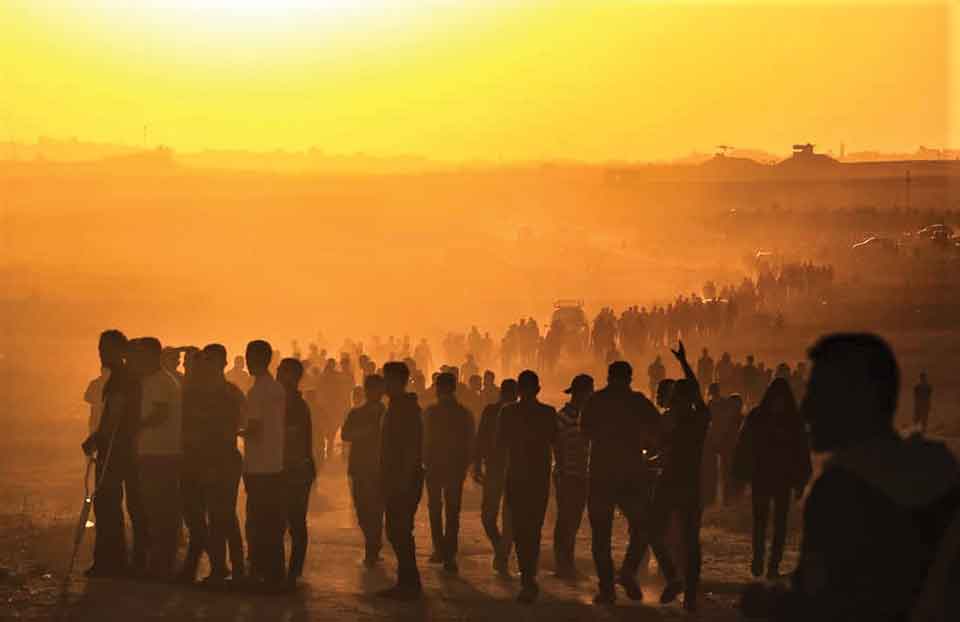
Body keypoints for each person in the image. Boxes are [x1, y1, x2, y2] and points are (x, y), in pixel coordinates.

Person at [741, 333, 960, 621]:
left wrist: (767, 603)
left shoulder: (839, 490)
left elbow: (825, 604)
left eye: (818, 393)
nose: (806, 409)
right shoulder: (939, 469)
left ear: (855, 399)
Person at [581, 360, 662, 604]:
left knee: (601, 536)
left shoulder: (595, 401)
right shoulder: (638, 401)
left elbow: (585, 432)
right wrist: (645, 446)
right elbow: (657, 428)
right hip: (631, 474)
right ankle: (628, 571)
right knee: (643, 527)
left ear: (608, 377)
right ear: (630, 378)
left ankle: (607, 588)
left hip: (601, 474)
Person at [644, 342, 711, 611]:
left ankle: (673, 577)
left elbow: (657, 450)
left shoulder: (671, 421)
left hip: (669, 481)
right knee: (690, 541)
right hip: (689, 483)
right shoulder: (700, 419)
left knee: (653, 531)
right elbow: (696, 391)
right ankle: (689, 594)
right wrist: (684, 363)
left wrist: (646, 461)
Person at [81, 330, 147, 577]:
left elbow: (115, 415)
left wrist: (96, 439)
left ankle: (110, 560)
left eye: (105, 349)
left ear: (119, 351)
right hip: (124, 448)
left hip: (117, 449)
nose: (101, 353)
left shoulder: (121, 378)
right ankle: (119, 559)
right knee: (119, 505)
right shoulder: (126, 376)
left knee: (107, 504)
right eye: (100, 348)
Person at [734, 378, 812, 580]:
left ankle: (773, 565)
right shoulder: (758, 417)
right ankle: (759, 559)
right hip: (762, 477)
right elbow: (744, 446)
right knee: (760, 522)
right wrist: (741, 475)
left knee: (779, 524)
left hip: (783, 480)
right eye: (776, 399)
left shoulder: (793, 422)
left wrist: (800, 481)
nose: (778, 403)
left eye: (782, 399)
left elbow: (801, 453)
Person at [496, 370, 556, 603]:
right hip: (538, 479)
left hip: (517, 478)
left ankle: (527, 578)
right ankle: (529, 576)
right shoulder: (548, 413)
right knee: (534, 528)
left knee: (521, 530)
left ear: (518, 390)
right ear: (538, 389)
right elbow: (556, 443)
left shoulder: (508, 412)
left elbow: (500, 445)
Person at [132, 337, 184, 581]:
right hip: (151, 451)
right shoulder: (151, 381)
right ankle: (160, 562)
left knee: (161, 510)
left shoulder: (162, 382)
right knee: (154, 509)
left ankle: (163, 564)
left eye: (141, 355)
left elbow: (160, 415)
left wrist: (133, 426)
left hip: (162, 452)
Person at [241, 339, 287, 589]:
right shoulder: (276, 388)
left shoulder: (258, 391)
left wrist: (233, 430)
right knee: (272, 521)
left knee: (258, 521)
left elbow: (254, 430)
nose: (247, 361)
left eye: (250, 357)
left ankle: (260, 572)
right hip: (274, 462)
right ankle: (274, 573)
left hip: (259, 465)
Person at [378, 361, 424, 600]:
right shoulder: (396, 406)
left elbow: (411, 449)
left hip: (403, 479)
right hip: (396, 478)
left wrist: (403, 481)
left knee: (400, 530)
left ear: (397, 382)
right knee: (398, 530)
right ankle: (407, 580)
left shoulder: (405, 409)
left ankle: (409, 582)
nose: (384, 384)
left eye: (387, 379)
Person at [422, 372, 475, 573]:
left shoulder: (431, 412)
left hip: (434, 467)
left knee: (435, 509)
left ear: (439, 388)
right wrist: (466, 466)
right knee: (452, 512)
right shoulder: (464, 413)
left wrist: (423, 462)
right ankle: (449, 555)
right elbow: (470, 442)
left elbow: (423, 440)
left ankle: (440, 549)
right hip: (454, 467)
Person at [341, 374, 386, 567]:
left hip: (380, 469)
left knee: (375, 510)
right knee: (362, 510)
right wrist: (366, 432)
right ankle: (372, 542)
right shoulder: (356, 414)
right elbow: (345, 435)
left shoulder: (388, 414)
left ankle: (372, 546)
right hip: (360, 468)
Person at [473, 378, 518, 577]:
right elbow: (481, 438)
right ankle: (502, 551)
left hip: (502, 470)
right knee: (501, 517)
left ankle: (501, 554)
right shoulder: (493, 411)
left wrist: (476, 465)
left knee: (490, 516)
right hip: (501, 469)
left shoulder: (497, 411)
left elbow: (480, 439)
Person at [278, 357, 316, 586]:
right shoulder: (288, 401)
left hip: (295, 469)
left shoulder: (295, 404)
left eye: (282, 371)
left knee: (294, 521)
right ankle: (290, 570)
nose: (278, 374)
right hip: (293, 467)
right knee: (288, 521)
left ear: (292, 376)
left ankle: (292, 572)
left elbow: (291, 436)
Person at [552, 374, 593, 580]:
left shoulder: (586, 417)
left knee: (573, 520)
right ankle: (563, 563)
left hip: (580, 475)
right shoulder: (563, 417)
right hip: (568, 475)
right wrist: (562, 470)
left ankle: (566, 562)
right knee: (566, 520)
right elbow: (557, 447)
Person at [83, 366, 110, 435]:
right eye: (105, 371)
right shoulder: (94, 383)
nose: (106, 373)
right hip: (96, 416)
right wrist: (96, 402)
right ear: (101, 371)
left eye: (107, 371)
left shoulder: (114, 385)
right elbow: (86, 397)